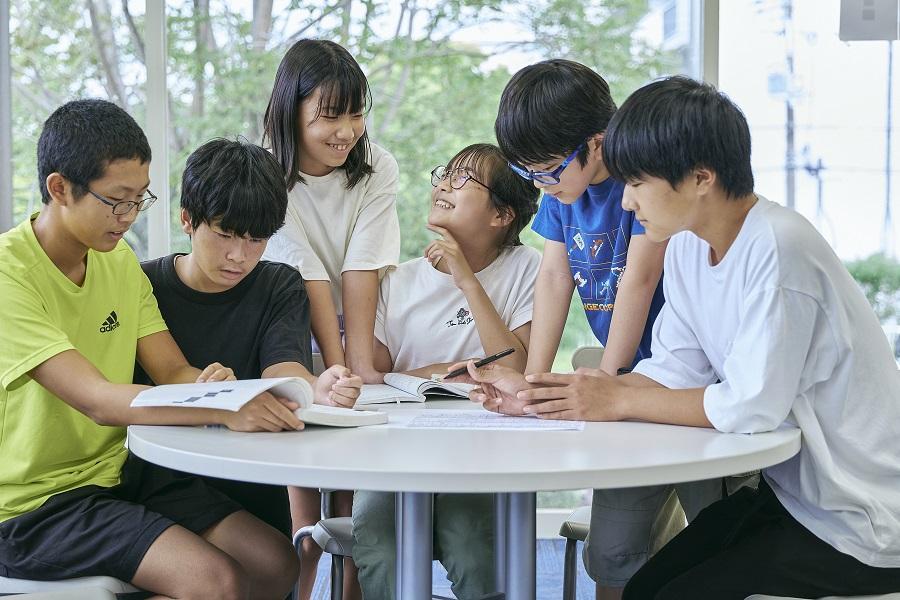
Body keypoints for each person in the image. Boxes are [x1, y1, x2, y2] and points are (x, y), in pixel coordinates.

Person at [471, 76, 900, 599]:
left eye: (638, 184)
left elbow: (749, 407)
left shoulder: (779, 246)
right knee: (643, 587)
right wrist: (554, 398)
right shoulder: (691, 246)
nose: (626, 203)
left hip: (860, 522)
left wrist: (613, 398)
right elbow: (672, 367)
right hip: (795, 499)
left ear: (701, 177)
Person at [0, 99, 300, 599]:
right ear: (59, 189)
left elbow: (172, 369)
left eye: (140, 199)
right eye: (118, 201)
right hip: (35, 503)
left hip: (122, 471)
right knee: (216, 582)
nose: (129, 216)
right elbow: (97, 400)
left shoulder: (118, 260)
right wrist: (221, 411)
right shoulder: (10, 276)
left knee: (274, 562)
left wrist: (211, 389)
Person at [494, 59, 725, 599]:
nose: (541, 185)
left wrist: (609, 379)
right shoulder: (561, 197)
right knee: (615, 549)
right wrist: (534, 376)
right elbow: (555, 277)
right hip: (623, 385)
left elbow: (640, 281)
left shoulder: (643, 182)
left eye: (548, 169)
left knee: (718, 528)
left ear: (596, 144)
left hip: (685, 382)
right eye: (529, 173)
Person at [135, 137, 362, 537]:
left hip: (252, 481)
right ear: (187, 220)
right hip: (160, 479)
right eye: (225, 234)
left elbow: (284, 367)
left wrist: (316, 387)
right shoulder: (141, 283)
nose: (239, 256)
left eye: (257, 240)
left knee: (279, 568)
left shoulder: (279, 284)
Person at [352, 143, 541, 600]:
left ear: (502, 215)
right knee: (379, 544)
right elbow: (374, 377)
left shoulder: (528, 268)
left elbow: (515, 368)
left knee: (473, 548)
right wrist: (443, 372)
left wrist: (466, 281)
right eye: (444, 173)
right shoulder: (396, 280)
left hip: (485, 451)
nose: (442, 183)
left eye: (462, 179)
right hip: (396, 452)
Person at [261, 37, 399, 598]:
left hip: (360, 313)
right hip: (287, 311)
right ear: (291, 111)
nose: (346, 129)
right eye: (329, 115)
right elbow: (305, 272)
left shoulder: (376, 166)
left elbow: (362, 265)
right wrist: (331, 374)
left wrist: (355, 369)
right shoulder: (269, 170)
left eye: (356, 113)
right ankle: (303, 567)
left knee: (349, 463)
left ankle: (350, 576)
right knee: (302, 440)